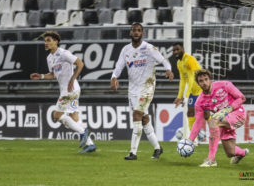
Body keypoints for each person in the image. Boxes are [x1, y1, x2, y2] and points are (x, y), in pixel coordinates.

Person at [111, 23, 174, 160]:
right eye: (134, 30)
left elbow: (164, 60)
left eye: (139, 30)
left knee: (137, 115)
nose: (136, 32)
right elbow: (119, 66)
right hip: (132, 89)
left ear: (142, 33)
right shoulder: (125, 50)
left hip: (147, 87)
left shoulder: (149, 48)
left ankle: (133, 152)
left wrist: (168, 69)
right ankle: (158, 148)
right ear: (130, 33)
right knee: (144, 119)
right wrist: (114, 77)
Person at [30, 31, 96, 153]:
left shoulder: (64, 54)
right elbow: (53, 75)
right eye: (45, 41)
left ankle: (83, 132)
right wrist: (41, 76)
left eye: (49, 40)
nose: (46, 43)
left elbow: (80, 64)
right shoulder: (49, 58)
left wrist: (72, 79)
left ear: (56, 41)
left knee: (57, 115)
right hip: (68, 90)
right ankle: (90, 145)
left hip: (70, 90)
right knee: (74, 117)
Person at [189, 69, 249, 167]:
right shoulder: (200, 102)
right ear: (198, 83)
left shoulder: (224, 85)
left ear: (210, 79)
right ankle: (243, 153)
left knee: (213, 121)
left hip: (239, 116)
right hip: (224, 122)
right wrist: (190, 140)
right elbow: (198, 122)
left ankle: (211, 160)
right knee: (230, 152)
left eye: (206, 79)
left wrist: (229, 109)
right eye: (201, 81)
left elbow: (242, 98)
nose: (204, 83)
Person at [172, 42, 203, 144]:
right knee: (190, 112)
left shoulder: (189, 59)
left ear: (183, 49)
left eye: (177, 49)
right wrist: (179, 96)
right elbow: (182, 80)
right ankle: (194, 139)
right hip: (192, 91)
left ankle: (217, 134)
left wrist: (185, 96)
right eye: (174, 50)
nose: (175, 52)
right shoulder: (179, 63)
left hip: (201, 89)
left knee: (206, 114)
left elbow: (191, 78)